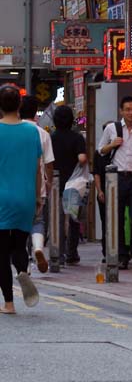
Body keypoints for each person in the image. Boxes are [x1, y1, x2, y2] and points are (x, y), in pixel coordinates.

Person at [98, 96, 132, 270]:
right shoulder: (111, 129)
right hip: (116, 178)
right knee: (117, 218)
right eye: (127, 109)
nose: (131, 112)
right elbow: (101, 150)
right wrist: (112, 144)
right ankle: (122, 255)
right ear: (121, 111)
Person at [0, 84, 42, 314]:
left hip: (1, 198)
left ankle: (8, 303)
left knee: (1, 252)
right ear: (19, 105)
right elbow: (37, 169)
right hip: (25, 196)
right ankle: (23, 270)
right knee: (19, 244)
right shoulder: (31, 131)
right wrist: (37, 197)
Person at [19, 95, 54, 274]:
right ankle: (38, 247)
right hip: (38, 186)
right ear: (36, 113)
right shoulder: (43, 133)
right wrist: (47, 183)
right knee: (38, 220)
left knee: (19, 226)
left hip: (15, 187)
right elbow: (49, 163)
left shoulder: (14, 130)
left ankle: (24, 265)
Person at [51, 104, 87, 265]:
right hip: (73, 183)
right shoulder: (77, 138)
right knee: (73, 219)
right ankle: (72, 253)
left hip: (55, 182)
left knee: (56, 219)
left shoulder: (51, 137)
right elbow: (82, 158)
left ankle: (57, 253)